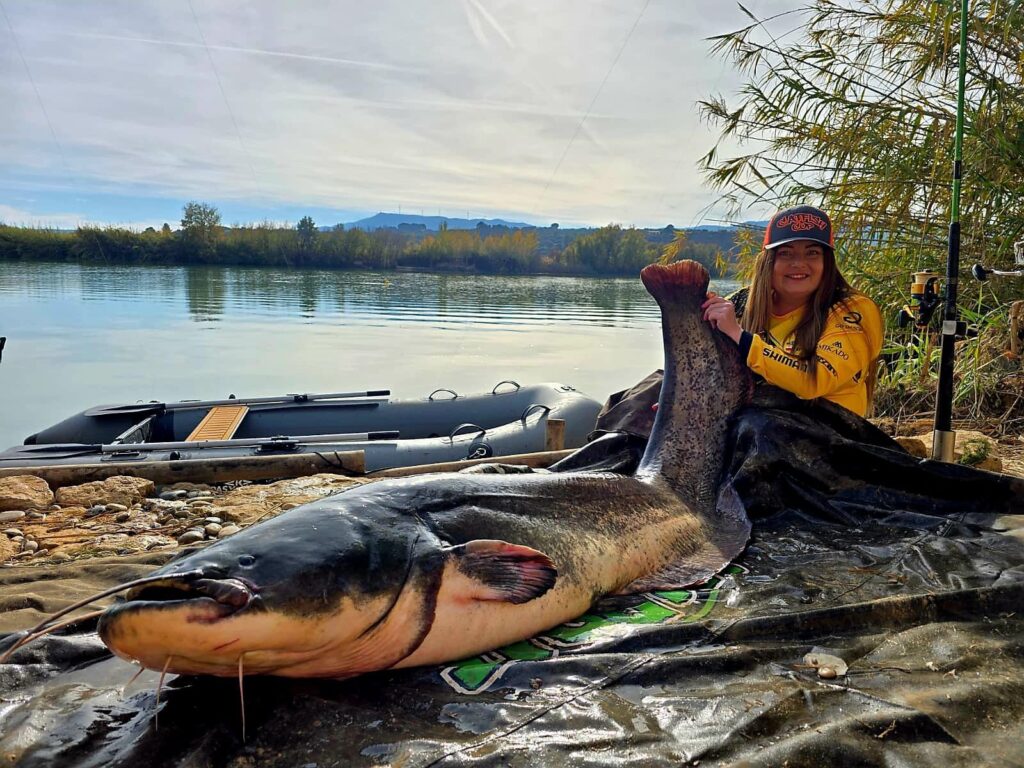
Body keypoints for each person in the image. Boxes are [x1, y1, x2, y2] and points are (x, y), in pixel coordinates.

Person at [701, 205, 883, 417]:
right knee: (658, 384)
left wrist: (739, 337)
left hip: (833, 437)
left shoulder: (853, 310)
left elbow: (815, 380)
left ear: (827, 262)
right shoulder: (740, 304)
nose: (798, 263)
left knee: (760, 424)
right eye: (786, 253)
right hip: (753, 430)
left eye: (812, 253)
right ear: (768, 262)